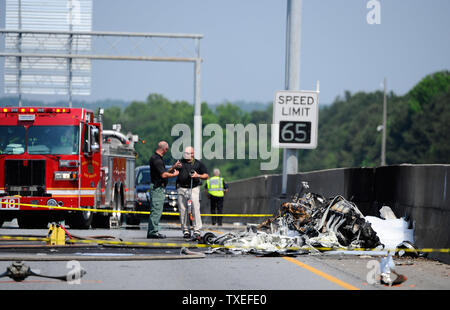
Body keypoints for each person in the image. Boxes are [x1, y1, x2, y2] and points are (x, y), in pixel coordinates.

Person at [147, 141, 180, 239]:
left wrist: (173, 167)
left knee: (157, 210)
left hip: (158, 188)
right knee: (156, 210)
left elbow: (163, 172)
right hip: (157, 188)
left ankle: (153, 230)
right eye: (167, 149)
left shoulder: (157, 159)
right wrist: (174, 174)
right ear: (163, 149)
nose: (167, 151)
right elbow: (163, 175)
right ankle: (153, 232)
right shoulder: (156, 159)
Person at [176, 146, 209, 240]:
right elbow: (171, 171)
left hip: (193, 188)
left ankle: (197, 230)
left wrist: (197, 175)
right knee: (183, 210)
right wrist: (175, 166)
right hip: (182, 188)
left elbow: (206, 175)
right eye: (185, 153)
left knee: (195, 208)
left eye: (187, 154)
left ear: (192, 154)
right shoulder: (180, 162)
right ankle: (186, 230)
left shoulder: (198, 164)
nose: (185, 155)